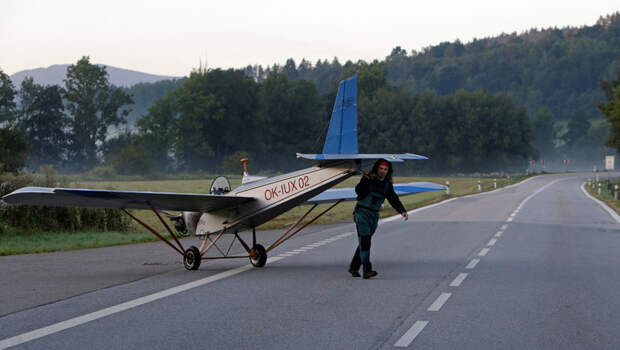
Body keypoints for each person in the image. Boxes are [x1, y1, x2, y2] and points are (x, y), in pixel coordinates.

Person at [349, 159, 408, 279]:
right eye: (381, 169)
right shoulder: (368, 178)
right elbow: (358, 192)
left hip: (374, 216)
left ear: (388, 171)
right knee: (366, 240)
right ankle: (367, 270)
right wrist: (365, 180)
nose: (383, 171)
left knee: (364, 241)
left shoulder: (387, 184)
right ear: (377, 169)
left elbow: (393, 199)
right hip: (362, 213)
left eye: (385, 169)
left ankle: (354, 267)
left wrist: (402, 210)